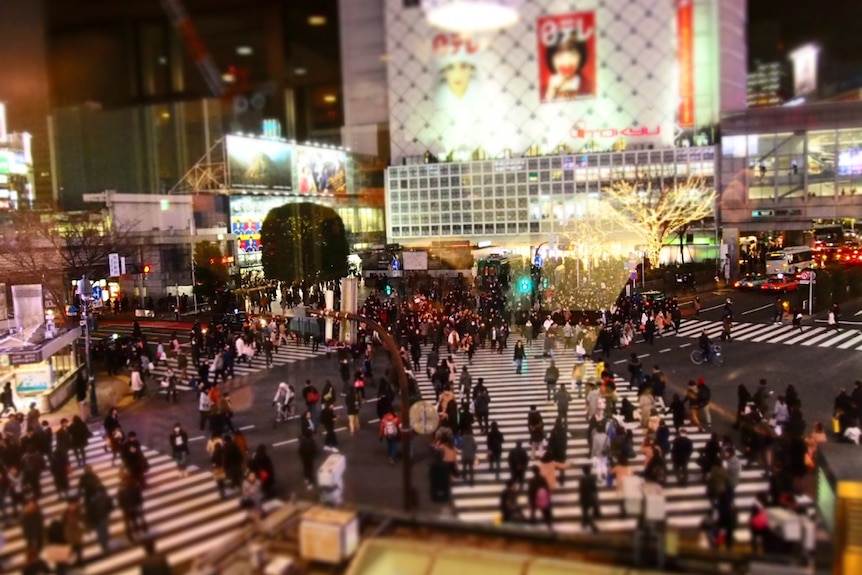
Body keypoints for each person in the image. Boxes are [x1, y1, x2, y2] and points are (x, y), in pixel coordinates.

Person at [543, 30, 594, 101]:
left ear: (581, 55)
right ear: (550, 58)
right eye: (559, 54)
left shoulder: (591, 87)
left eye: (573, 53)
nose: (566, 61)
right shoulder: (542, 91)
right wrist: (550, 95)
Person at [578, 464, 600, 532]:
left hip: (584, 498)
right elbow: (595, 489)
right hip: (591, 497)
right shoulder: (592, 478)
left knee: (585, 512)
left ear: (583, 471)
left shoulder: (582, 479)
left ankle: (591, 526)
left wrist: (580, 498)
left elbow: (581, 490)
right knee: (586, 512)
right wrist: (596, 497)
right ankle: (584, 523)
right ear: (590, 471)